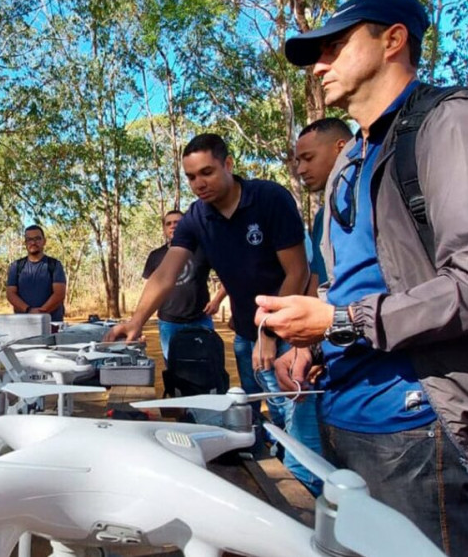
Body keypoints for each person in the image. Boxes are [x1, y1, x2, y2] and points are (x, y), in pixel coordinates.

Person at [257, 0, 468, 553]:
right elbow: (353, 278)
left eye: (334, 47)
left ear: (393, 40)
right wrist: (313, 343)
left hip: (417, 424)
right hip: (343, 415)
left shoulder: (456, 123)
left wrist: (340, 320)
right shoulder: (350, 159)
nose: (319, 66)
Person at [106, 133, 321, 494]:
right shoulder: (196, 218)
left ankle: (306, 511)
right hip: (246, 335)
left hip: (288, 334)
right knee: (269, 419)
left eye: (206, 172)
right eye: (190, 177)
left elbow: (297, 272)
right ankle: (281, 492)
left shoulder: (268, 199)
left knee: (301, 426)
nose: (198, 184)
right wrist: (137, 319)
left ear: (229, 164)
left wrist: (269, 332)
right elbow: (165, 273)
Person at [142, 209, 225, 361]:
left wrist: (217, 300)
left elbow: (228, 276)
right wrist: (141, 320)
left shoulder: (203, 250)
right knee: (174, 367)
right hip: (169, 322)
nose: (173, 226)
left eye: (177, 223)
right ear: (164, 229)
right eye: (169, 223)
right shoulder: (155, 256)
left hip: (200, 319)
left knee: (207, 364)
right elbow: (149, 288)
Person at [295, 118, 352, 296]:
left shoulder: (372, 197)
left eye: (309, 158)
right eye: (299, 161)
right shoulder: (322, 217)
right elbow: (318, 278)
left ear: (341, 148)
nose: (301, 170)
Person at [6, 225, 67, 325]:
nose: (33, 242)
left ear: (44, 241)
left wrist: (41, 313)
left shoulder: (55, 265)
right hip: (23, 324)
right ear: (25, 243)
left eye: (37, 238)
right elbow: (10, 294)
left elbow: (59, 294)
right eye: (29, 239)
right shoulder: (16, 266)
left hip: (51, 324)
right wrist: (29, 310)